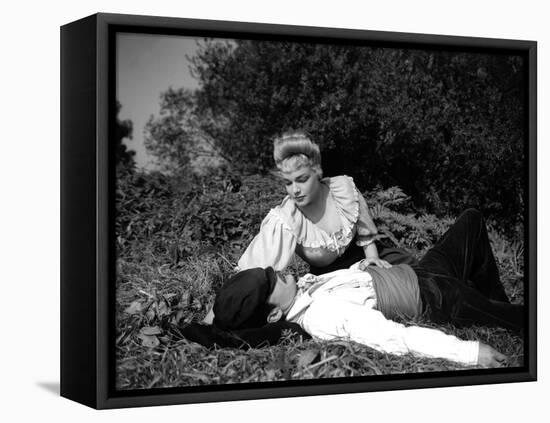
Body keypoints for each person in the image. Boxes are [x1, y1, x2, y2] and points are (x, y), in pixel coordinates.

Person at [204, 209, 522, 367]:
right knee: (522, 318)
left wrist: (362, 267)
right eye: (270, 281)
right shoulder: (322, 317)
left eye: (268, 271)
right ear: (273, 315)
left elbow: (345, 283)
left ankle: (492, 303)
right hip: (436, 297)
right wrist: (468, 352)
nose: (276, 271)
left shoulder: (301, 289)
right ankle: (496, 313)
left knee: (472, 220)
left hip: (421, 272)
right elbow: (394, 339)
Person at [237, 130, 415, 275]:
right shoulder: (285, 218)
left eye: (302, 179)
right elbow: (253, 271)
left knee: (409, 268)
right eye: (288, 183)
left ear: (316, 172)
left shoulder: (343, 189)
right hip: (331, 277)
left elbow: (366, 236)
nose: (295, 190)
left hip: (365, 257)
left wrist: (373, 258)